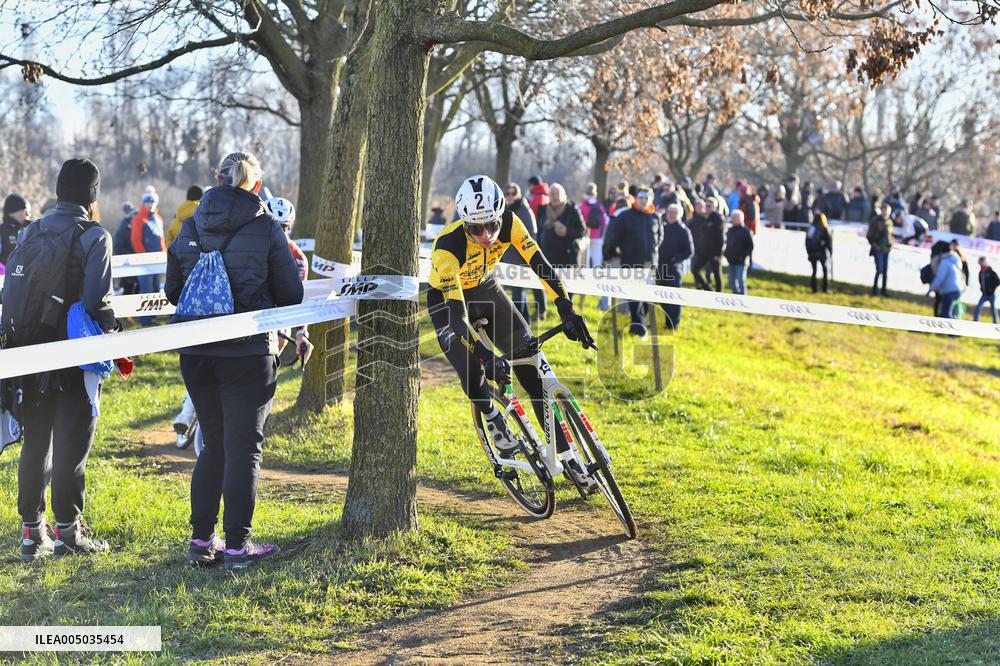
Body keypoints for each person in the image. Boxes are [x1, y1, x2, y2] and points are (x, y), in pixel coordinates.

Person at [165, 151, 304, 571]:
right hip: (247, 353)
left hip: (197, 354)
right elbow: (291, 295)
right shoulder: (265, 226)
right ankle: (237, 548)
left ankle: (200, 541)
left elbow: (174, 292)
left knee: (213, 447)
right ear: (256, 185)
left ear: (217, 179)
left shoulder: (189, 225)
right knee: (244, 450)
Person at [426, 174, 595, 486]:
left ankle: (567, 455)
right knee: (473, 370)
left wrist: (565, 306)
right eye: (477, 228)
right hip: (449, 302)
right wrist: (483, 353)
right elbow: (457, 316)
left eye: (491, 224)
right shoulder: (447, 247)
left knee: (531, 371)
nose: (487, 234)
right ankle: (492, 418)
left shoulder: (510, 222)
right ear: (464, 222)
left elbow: (539, 263)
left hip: (487, 288)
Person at [10, 158, 117, 560]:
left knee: (36, 442)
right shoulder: (95, 236)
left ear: (58, 189)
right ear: (93, 194)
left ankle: (31, 535)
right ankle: (70, 533)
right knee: (74, 441)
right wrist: (115, 330)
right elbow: (96, 301)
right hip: (75, 354)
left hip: (30, 351)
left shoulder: (31, 229)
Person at [603, 187, 662, 335]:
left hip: (650, 264)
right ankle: (639, 329)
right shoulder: (626, 216)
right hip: (631, 263)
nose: (643, 200)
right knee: (635, 297)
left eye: (646, 197)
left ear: (651, 199)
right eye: (641, 197)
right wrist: (613, 251)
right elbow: (614, 236)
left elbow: (659, 237)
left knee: (648, 297)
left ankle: (639, 323)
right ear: (636, 198)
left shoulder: (655, 217)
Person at [502, 183, 544, 321]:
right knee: (519, 292)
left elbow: (532, 235)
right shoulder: (504, 210)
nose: (509, 196)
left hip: (521, 259)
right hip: (508, 258)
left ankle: (519, 323)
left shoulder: (524, 211)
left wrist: (526, 256)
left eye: (513, 193)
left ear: (518, 195)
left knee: (517, 293)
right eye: (507, 193)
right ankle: (525, 321)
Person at [130, 187, 166, 325]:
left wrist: (163, 253)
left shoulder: (158, 218)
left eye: (152, 202)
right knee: (146, 289)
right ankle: (145, 319)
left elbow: (161, 239)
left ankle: (154, 316)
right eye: (147, 202)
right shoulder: (139, 219)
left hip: (157, 260)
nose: (150, 204)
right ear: (143, 202)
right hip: (144, 262)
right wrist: (144, 257)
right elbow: (135, 240)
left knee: (157, 288)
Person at [654, 203, 693, 329]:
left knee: (674, 298)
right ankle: (668, 320)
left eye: (674, 213)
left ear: (680, 215)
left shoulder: (683, 231)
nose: (671, 215)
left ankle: (673, 324)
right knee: (660, 296)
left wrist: (676, 258)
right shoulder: (662, 227)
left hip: (674, 269)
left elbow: (689, 251)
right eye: (670, 212)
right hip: (659, 267)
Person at [538, 183, 585, 270]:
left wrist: (567, 231)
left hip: (567, 259)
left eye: (558, 193)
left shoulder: (572, 210)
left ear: (564, 195)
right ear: (548, 196)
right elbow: (538, 232)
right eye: (552, 194)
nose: (555, 197)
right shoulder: (543, 210)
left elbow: (582, 231)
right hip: (546, 260)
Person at [579, 183, 609, 310]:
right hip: (597, 238)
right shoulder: (600, 206)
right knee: (597, 265)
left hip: (585, 238)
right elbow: (605, 222)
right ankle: (597, 289)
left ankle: (583, 295)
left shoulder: (581, 206)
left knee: (583, 267)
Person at [691, 199, 724, 291]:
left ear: (714, 207)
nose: (707, 208)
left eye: (709, 206)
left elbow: (721, 237)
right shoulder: (706, 217)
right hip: (705, 251)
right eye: (706, 206)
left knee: (717, 274)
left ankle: (719, 295)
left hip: (714, 252)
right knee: (695, 270)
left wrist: (719, 253)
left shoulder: (718, 218)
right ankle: (708, 289)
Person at [928, 244, 966, 319]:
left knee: (946, 313)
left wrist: (931, 289)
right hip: (958, 289)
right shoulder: (956, 260)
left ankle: (949, 330)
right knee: (948, 312)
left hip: (949, 290)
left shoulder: (945, 262)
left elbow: (940, 278)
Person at [724, 210, 754, 294]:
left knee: (741, 281)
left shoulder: (746, 231)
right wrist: (726, 254)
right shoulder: (730, 230)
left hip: (741, 262)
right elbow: (728, 244)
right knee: (731, 281)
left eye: (735, 217)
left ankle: (743, 300)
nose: (733, 219)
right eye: (733, 217)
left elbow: (750, 246)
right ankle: (736, 297)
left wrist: (742, 257)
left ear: (741, 219)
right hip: (731, 261)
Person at [866, 203, 892, 296]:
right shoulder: (875, 221)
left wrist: (890, 245)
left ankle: (884, 291)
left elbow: (890, 236)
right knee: (879, 270)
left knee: (885, 271)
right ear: (882, 210)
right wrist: (874, 245)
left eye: (888, 212)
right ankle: (874, 290)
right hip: (878, 249)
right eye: (885, 211)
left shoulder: (889, 222)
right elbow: (869, 235)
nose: (886, 213)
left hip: (886, 250)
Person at [805, 212, 833, 293]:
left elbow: (807, 241)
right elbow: (828, 242)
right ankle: (825, 289)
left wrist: (808, 252)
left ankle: (814, 289)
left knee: (814, 271)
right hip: (821, 253)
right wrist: (830, 252)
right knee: (825, 270)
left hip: (812, 252)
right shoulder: (824, 228)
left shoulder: (811, 228)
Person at [1, 194, 31, 266]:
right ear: (13, 213)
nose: (27, 215)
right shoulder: (2, 232)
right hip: (4, 275)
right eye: (24, 211)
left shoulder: (27, 229)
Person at [973, 257, 999, 323]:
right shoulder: (981, 272)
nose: (980, 265)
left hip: (991, 294)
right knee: (978, 307)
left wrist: (991, 289)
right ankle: (976, 321)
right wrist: (982, 289)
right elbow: (981, 282)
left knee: (993, 309)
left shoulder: (991, 271)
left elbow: (998, 282)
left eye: (981, 263)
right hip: (984, 294)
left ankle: (995, 322)